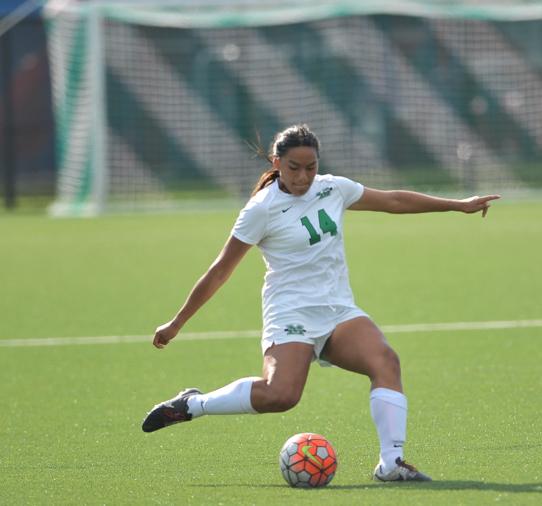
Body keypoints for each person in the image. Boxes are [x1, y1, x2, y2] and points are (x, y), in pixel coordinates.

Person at [141, 124, 500, 482]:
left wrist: (457, 205)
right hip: (291, 312)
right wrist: (177, 323)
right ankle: (193, 404)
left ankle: (391, 463)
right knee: (280, 396)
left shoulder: (333, 188)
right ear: (276, 162)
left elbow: (393, 200)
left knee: (386, 361)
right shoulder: (261, 209)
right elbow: (220, 270)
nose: (303, 176)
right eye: (294, 167)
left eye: (310, 166)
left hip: (338, 310)